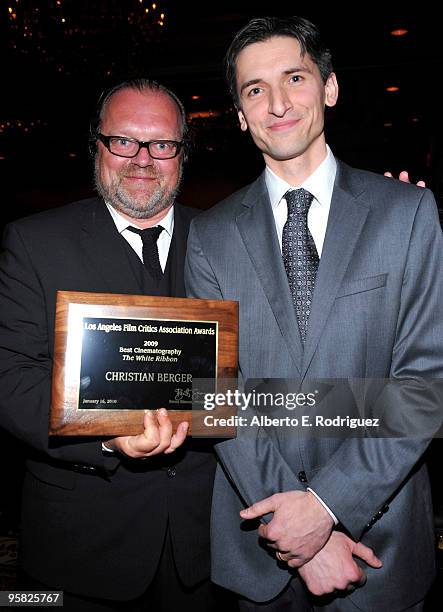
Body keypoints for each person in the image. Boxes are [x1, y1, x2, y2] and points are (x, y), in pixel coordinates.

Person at [185, 16, 443, 612]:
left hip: (382, 542)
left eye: (294, 78)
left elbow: (423, 383)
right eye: (255, 90)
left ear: (328, 88)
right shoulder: (211, 236)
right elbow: (217, 394)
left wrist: (327, 506)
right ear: (241, 114)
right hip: (260, 546)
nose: (277, 103)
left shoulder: (406, 213)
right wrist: (300, 531)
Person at [0, 79, 227, 611]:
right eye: (123, 141)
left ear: (182, 153)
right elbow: (10, 374)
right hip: (80, 547)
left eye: (162, 144)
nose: (143, 159)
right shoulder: (35, 242)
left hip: (206, 546)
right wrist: (110, 437)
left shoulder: (224, 236)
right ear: (96, 147)